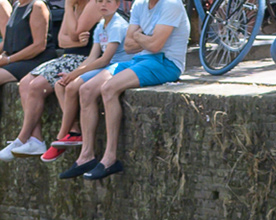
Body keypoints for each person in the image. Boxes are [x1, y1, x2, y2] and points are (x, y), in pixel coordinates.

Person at [61, 0, 188, 180]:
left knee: (109, 88)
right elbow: (128, 46)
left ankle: (110, 158)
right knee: (87, 89)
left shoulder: (171, 4)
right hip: (140, 60)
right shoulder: (139, 5)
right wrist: (146, 38)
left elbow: (155, 46)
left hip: (165, 62)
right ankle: (86, 156)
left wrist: (139, 37)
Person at [0, 0, 110, 160]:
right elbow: (62, 40)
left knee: (37, 85)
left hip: (84, 58)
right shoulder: (73, 6)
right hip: (67, 56)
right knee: (24, 83)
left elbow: (72, 34)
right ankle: (35, 140)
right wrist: (73, 35)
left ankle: (22, 138)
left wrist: (68, 9)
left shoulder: (91, 4)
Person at [0, 0, 58, 104]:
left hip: (36, 59)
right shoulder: (17, 6)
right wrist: (4, 56)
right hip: (17, 59)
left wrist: (8, 60)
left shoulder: (37, 6)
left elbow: (39, 46)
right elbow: (9, 43)